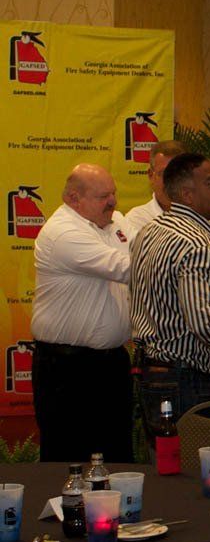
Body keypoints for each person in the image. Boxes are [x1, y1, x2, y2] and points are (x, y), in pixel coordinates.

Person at [130, 153, 210, 429]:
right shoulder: (198, 245)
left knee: (166, 465)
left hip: (153, 372)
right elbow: (205, 320)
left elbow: (167, 296)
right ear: (188, 195)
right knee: (197, 469)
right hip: (187, 379)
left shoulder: (150, 231)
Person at [31, 163, 134, 463]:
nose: (113, 202)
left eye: (113, 193)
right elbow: (127, 267)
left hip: (110, 364)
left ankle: (114, 511)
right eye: (104, 196)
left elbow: (145, 250)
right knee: (68, 458)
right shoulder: (63, 232)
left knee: (116, 456)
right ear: (74, 199)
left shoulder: (116, 223)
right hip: (67, 368)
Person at [123, 140, 210, 238]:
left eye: (179, 174)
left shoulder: (209, 207)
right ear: (151, 176)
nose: (171, 181)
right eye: (164, 173)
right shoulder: (137, 219)